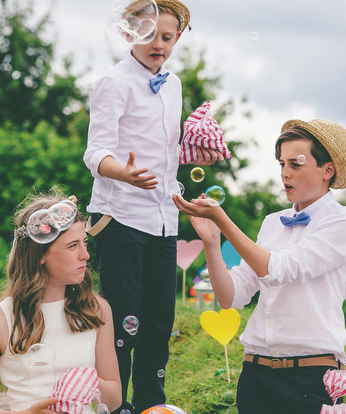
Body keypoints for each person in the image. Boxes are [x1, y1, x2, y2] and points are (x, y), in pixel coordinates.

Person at [83, 1, 224, 413]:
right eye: (148, 35)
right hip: (120, 218)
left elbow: (166, 152)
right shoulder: (112, 82)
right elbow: (96, 153)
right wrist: (122, 173)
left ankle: (150, 406)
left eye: (166, 36)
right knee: (121, 322)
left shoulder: (174, 84)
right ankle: (114, 404)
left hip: (163, 220)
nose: (158, 44)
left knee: (158, 322)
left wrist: (195, 152)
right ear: (129, 35)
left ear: (177, 38)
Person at [173, 118, 346, 413]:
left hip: (311, 376)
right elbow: (230, 297)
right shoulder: (272, 223)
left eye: (295, 164)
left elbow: (279, 269)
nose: (285, 173)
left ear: (328, 170)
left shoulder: (342, 222)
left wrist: (223, 219)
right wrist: (212, 242)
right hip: (256, 373)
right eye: (281, 164)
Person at [0, 191, 121, 414]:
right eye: (72, 246)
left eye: (84, 243)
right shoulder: (1, 323)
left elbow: (114, 399)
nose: (85, 255)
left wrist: (85, 380)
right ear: (40, 254)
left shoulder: (97, 310)